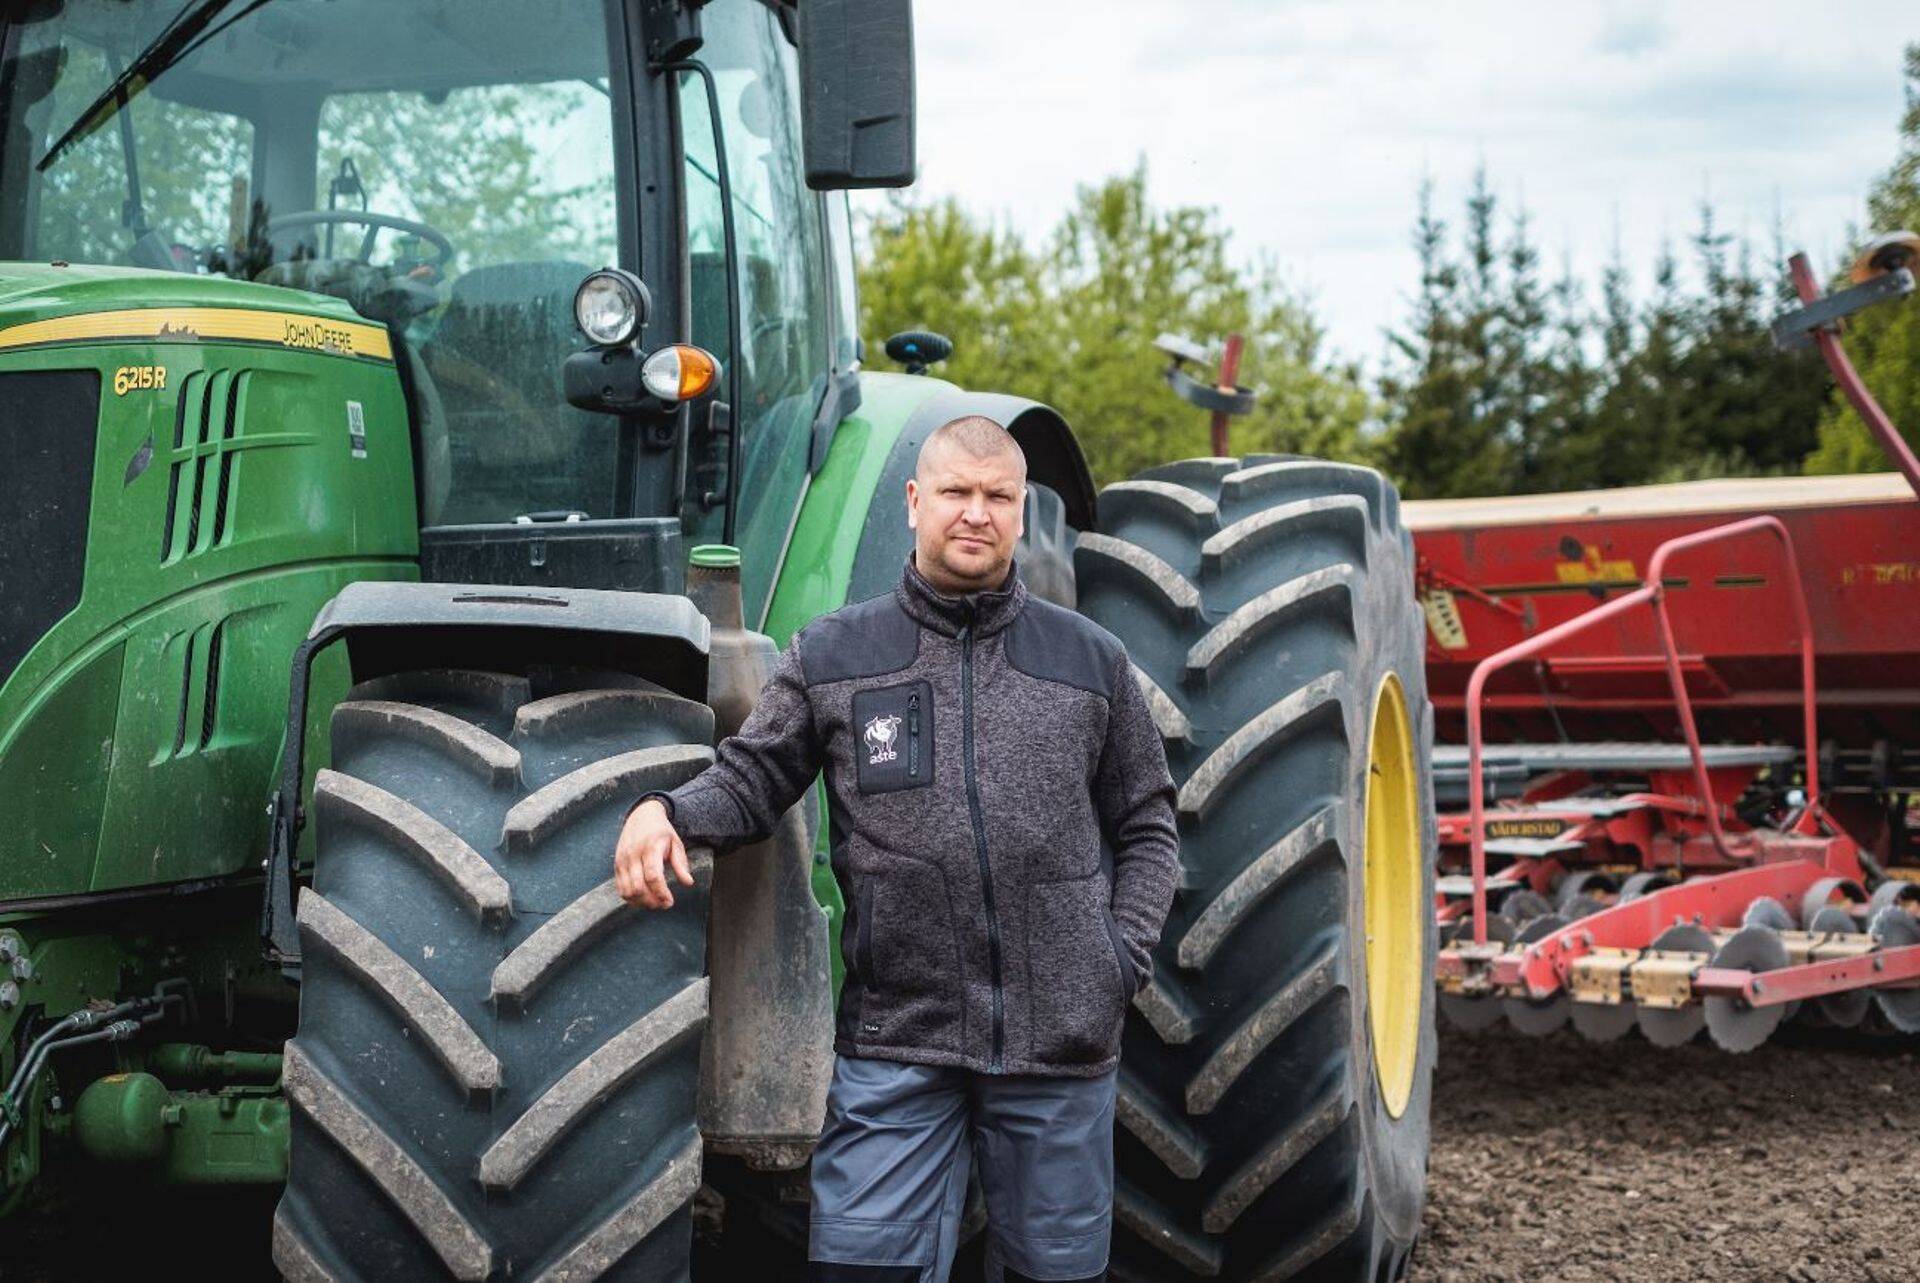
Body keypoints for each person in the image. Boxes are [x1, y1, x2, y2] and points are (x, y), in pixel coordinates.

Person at [614, 415, 1179, 1283]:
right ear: (916, 502)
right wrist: (668, 812)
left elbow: (1147, 825)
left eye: (997, 497)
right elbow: (752, 779)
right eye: (956, 492)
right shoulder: (836, 654)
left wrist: (1117, 959)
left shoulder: (1090, 662)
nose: (976, 514)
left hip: (1057, 1049)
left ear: (1020, 512)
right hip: (898, 1038)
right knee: (860, 1270)